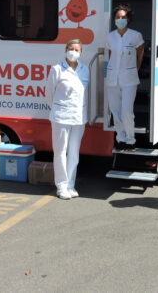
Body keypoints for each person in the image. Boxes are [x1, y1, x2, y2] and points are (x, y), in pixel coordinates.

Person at [46, 39, 89, 200]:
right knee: (60, 152)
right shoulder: (57, 69)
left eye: (76, 49)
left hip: (78, 117)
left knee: (74, 153)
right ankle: (61, 186)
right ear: (65, 50)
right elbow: (49, 94)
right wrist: (58, 108)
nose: (73, 52)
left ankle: (70, 185)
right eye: (70, 49)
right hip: (61, 117)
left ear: (81, 53)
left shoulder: (85, 70)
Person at [105, 4, 144, 150]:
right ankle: (120, 138)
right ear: (114, 19)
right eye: (118, 17)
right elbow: (108, 56)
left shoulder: (135, 35)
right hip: (112, 78)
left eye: (123, 17)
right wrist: (107, 73)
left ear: (128, 19)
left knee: (127, 111)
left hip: (129, 79)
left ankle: (130, 139)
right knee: (115, 110)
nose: (120, 19)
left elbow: (140, 53)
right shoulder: (110, 36)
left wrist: (136, 69)